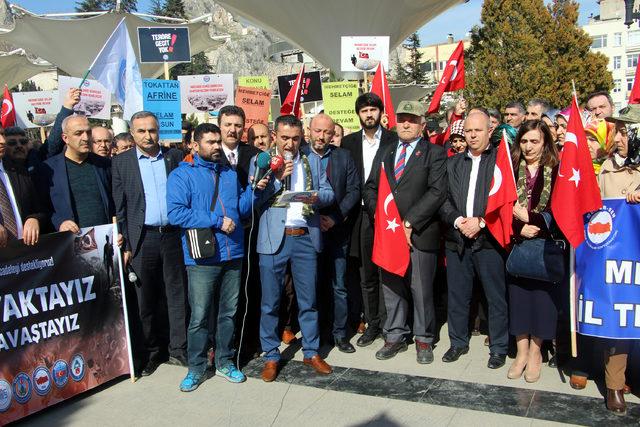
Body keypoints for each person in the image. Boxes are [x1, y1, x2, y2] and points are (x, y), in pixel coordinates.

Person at [167, 123, 270, 391]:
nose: (215, 146)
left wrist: (254, 190)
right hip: (202, 257)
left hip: (233, 254)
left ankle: (225, 362)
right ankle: (196, 368)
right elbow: (176, 213)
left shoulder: (229, 174)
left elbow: (241, 209)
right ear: (195, 144)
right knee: (200, 316)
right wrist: (216, 220)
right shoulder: (182, 176)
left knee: (228, 314)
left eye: (217, 142)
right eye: (210, 142)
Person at [251, 114, 335, 382]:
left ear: (303, 138)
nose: (290, 143)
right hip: (273, 239)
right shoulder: (261, 160)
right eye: (285, 138)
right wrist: (276, 179)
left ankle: (311, 351)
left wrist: (315, 197)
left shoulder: (313, 160)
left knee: (308, 300)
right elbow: (254, 197)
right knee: (270, 302)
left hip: (304, 238)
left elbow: (329, 193)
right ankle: (271, 354)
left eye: (296, 138)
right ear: (275, 136)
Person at [364, 101, 447, 363]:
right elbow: (370, 188)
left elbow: (437, 192)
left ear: (423, 124)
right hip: (388, 235)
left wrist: (409, 222)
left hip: (420, 234)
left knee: (420, 289)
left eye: (412, 119)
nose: (406, 124)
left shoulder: (434, 153)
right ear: (395, 122)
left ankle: (424, 339)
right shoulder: (386, 152)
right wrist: (380, 213)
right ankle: (394, 335)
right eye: (402, 119)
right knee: (391, 287)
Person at [112, 111, 188, 377]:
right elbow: (120, 207)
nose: (148, 136)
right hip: (142, 239)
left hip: (173, 235)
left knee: (176, 294)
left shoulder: (174, 157)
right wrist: (126, 243)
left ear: (159, 131)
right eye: (141, 131)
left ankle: (178, 348)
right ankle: (151, 352)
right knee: (145, 298)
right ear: (132, 133)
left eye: (152, 130)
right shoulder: (121, 163)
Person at [439, 111, 509, 369]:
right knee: (458, 295)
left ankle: (499, 347)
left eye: (478, 131)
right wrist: (458, 221)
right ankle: (457, 342)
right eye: (468, 131)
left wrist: (480, 222)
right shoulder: (452, 163)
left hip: (489, 239)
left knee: (495, 297)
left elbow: (503, 198)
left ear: (490, 131)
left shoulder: (501, 161)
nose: (472, 136)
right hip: (457, 238)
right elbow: (443, 199)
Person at [507, 119, 562, 383]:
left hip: (543, 244)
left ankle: (536, 353)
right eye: (524, 141)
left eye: (534, 141)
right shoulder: (510, 168)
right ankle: (521, 352)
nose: (528, 147)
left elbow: (559, 208)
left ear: (545, 143)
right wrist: (519, 228)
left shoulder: (556, 169)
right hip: (517, 245)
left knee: (541, 299)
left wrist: (532, 222)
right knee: (519, 299)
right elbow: (502, 204)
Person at [341, 93, 396, 347]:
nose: (369, 114)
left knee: (390, 273)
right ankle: (372, 324)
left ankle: (391, 325)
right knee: (367, 274)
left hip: (389, 216)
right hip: (361, 216)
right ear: (358, 114)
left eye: (373, 109)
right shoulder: (349, 143)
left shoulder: (394, 140)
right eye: (364, 111)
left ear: (381, 113)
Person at [303, 113, 360, 353]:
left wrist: (335, 219)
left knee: (339, 285)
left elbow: (354, 190)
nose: (322, 136)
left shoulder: (343, 157)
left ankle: (340, 334)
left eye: (327, 132)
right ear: (309, 130)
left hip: (336, 229)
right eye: (318, 131)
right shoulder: (300, 156)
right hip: (307, 230)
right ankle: (316, 333)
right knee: (312, 284)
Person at [596, 106, 640, 414]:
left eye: (626, 131)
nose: (619, 137)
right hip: (619, 260)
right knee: (620, 320)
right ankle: (614, 385)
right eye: (618, 131)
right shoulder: (605, 167)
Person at [37, 115, 113, 233]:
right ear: (65, 138)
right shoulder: (48, 169)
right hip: (68, 241)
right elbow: (41, 207)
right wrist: (60, 222)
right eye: (78, 133)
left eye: (88, 132)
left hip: (104, 239)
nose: (85, 138)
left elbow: (116, 202)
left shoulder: (105, 165)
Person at [0, 129, 45, 247]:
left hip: (23, 256)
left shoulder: (20, 172)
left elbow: (39, 209)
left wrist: (34, 218)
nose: (2, 141)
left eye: (2, 134)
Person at [218, 105, 261, 189]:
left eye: (238, 126)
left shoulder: (256, 155)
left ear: (243, 128)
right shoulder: (210, 155)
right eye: (228, 125)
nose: (233, 130)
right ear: (219, 126)